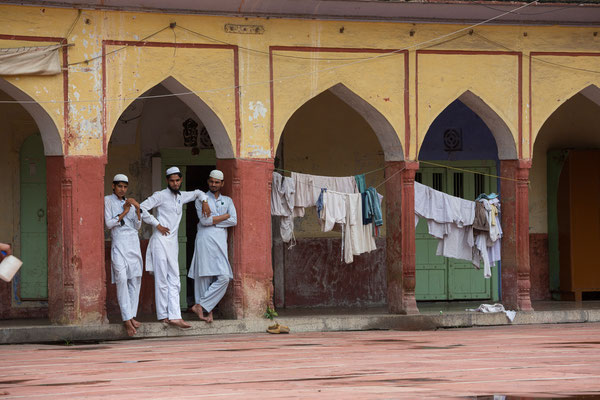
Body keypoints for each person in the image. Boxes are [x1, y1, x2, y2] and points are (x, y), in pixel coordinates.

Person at [140, 166, 210, 329]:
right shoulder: (160, 195)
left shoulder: (182, 196)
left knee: (175, 279)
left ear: (181, 180)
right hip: (160, 241)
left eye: (177, 180)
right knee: (162, 279)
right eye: (172, 180)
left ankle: (172, 315)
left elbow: (199, 192)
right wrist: (157, 224)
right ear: (167, 181)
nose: (175, 183)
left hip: (172, 244)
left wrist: (205, 202)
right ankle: (167, 316)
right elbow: (141, 207)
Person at [188, 169, 237, 323]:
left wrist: (215, 220)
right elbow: (204, 221)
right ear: (208, 182)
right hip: (205, 239)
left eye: (217, 182)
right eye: (211, 181)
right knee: (204, 275)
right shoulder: (201, 199)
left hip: (220, 241)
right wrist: (225, 216)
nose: (213, 184)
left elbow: (234, 220)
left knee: (224, 277)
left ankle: (201, 305)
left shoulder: (228, 200)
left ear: (222, 183)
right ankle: (207, 312)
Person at [104, 174, 143, 337]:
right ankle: (126, 319)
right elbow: (108, 224)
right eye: (119, 186)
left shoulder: (131, 203)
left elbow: (137, 225)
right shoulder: (108, 200)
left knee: (135, 280)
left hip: (133, 242)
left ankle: (131, 315)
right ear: (113, 186)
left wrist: (137, 209)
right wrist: (124, 212)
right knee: (121, 279)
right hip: (119, 241)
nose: (122, 189)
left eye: (125, 187)